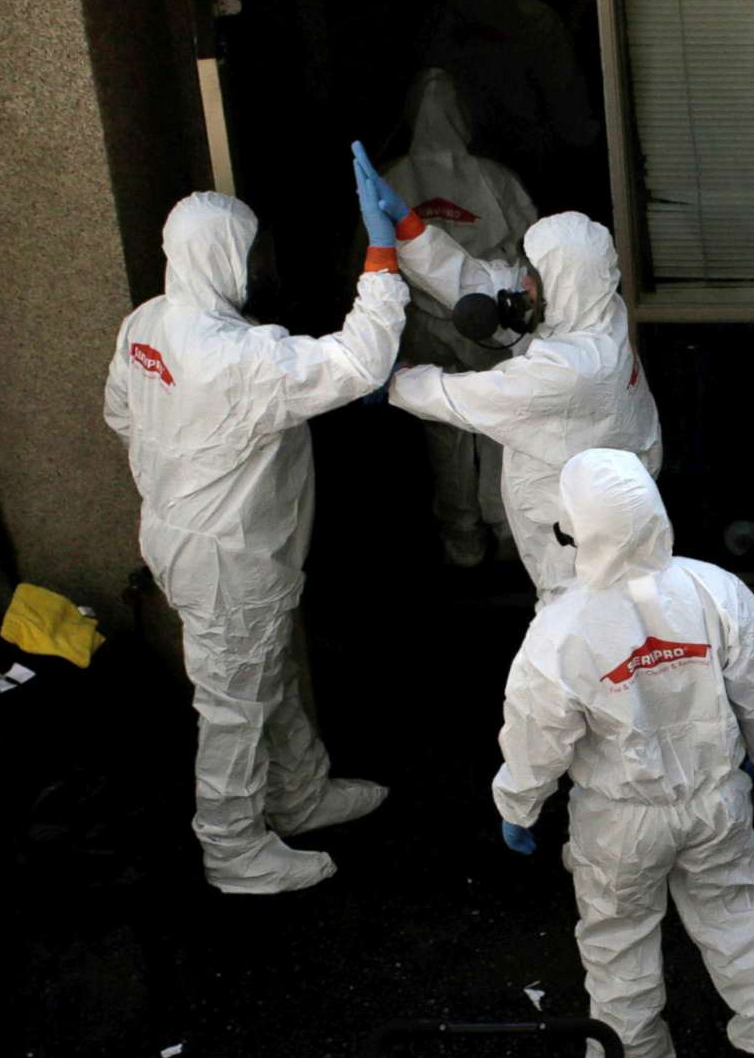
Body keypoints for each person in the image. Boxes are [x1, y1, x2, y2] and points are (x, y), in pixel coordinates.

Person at [104, 182, 408, 893]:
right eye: (248, 252)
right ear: (216, 256)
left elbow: (123, 413)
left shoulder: (146, 325)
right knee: (233, 702)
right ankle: (232, 846)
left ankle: (300, 793)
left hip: (179, 532)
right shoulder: (239, 357)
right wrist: (383, 257)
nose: (257, 265)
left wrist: (188, 456)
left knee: (259, 671)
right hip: (228, 554)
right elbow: (360, 361)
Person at [493, 447, 754, 1058]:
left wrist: (518, 803)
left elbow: (536, 734)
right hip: (717, 799)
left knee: (618, 944)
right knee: (742, 923)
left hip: (618, 819)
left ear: (576, 528)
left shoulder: (561, 628)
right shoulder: (714, 590)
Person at [353, 143, 661, 601]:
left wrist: (395, 379)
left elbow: (465, 397)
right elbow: (478, 281)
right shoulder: (594, 307)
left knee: (578, 651)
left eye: (530, 277)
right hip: (590, 523)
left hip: (581, 559)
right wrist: (410, 230)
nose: (522, 284)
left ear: (560, 281)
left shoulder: (576, 368)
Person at [378, 69, 539, 569]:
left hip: (422, 322)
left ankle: (460, 538)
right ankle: (505, 528)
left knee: (443, 433)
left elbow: (369, 254)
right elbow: (537, 247)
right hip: (491, 325)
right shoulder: (494, 177)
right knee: (497, 422)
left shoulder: (391, 178)